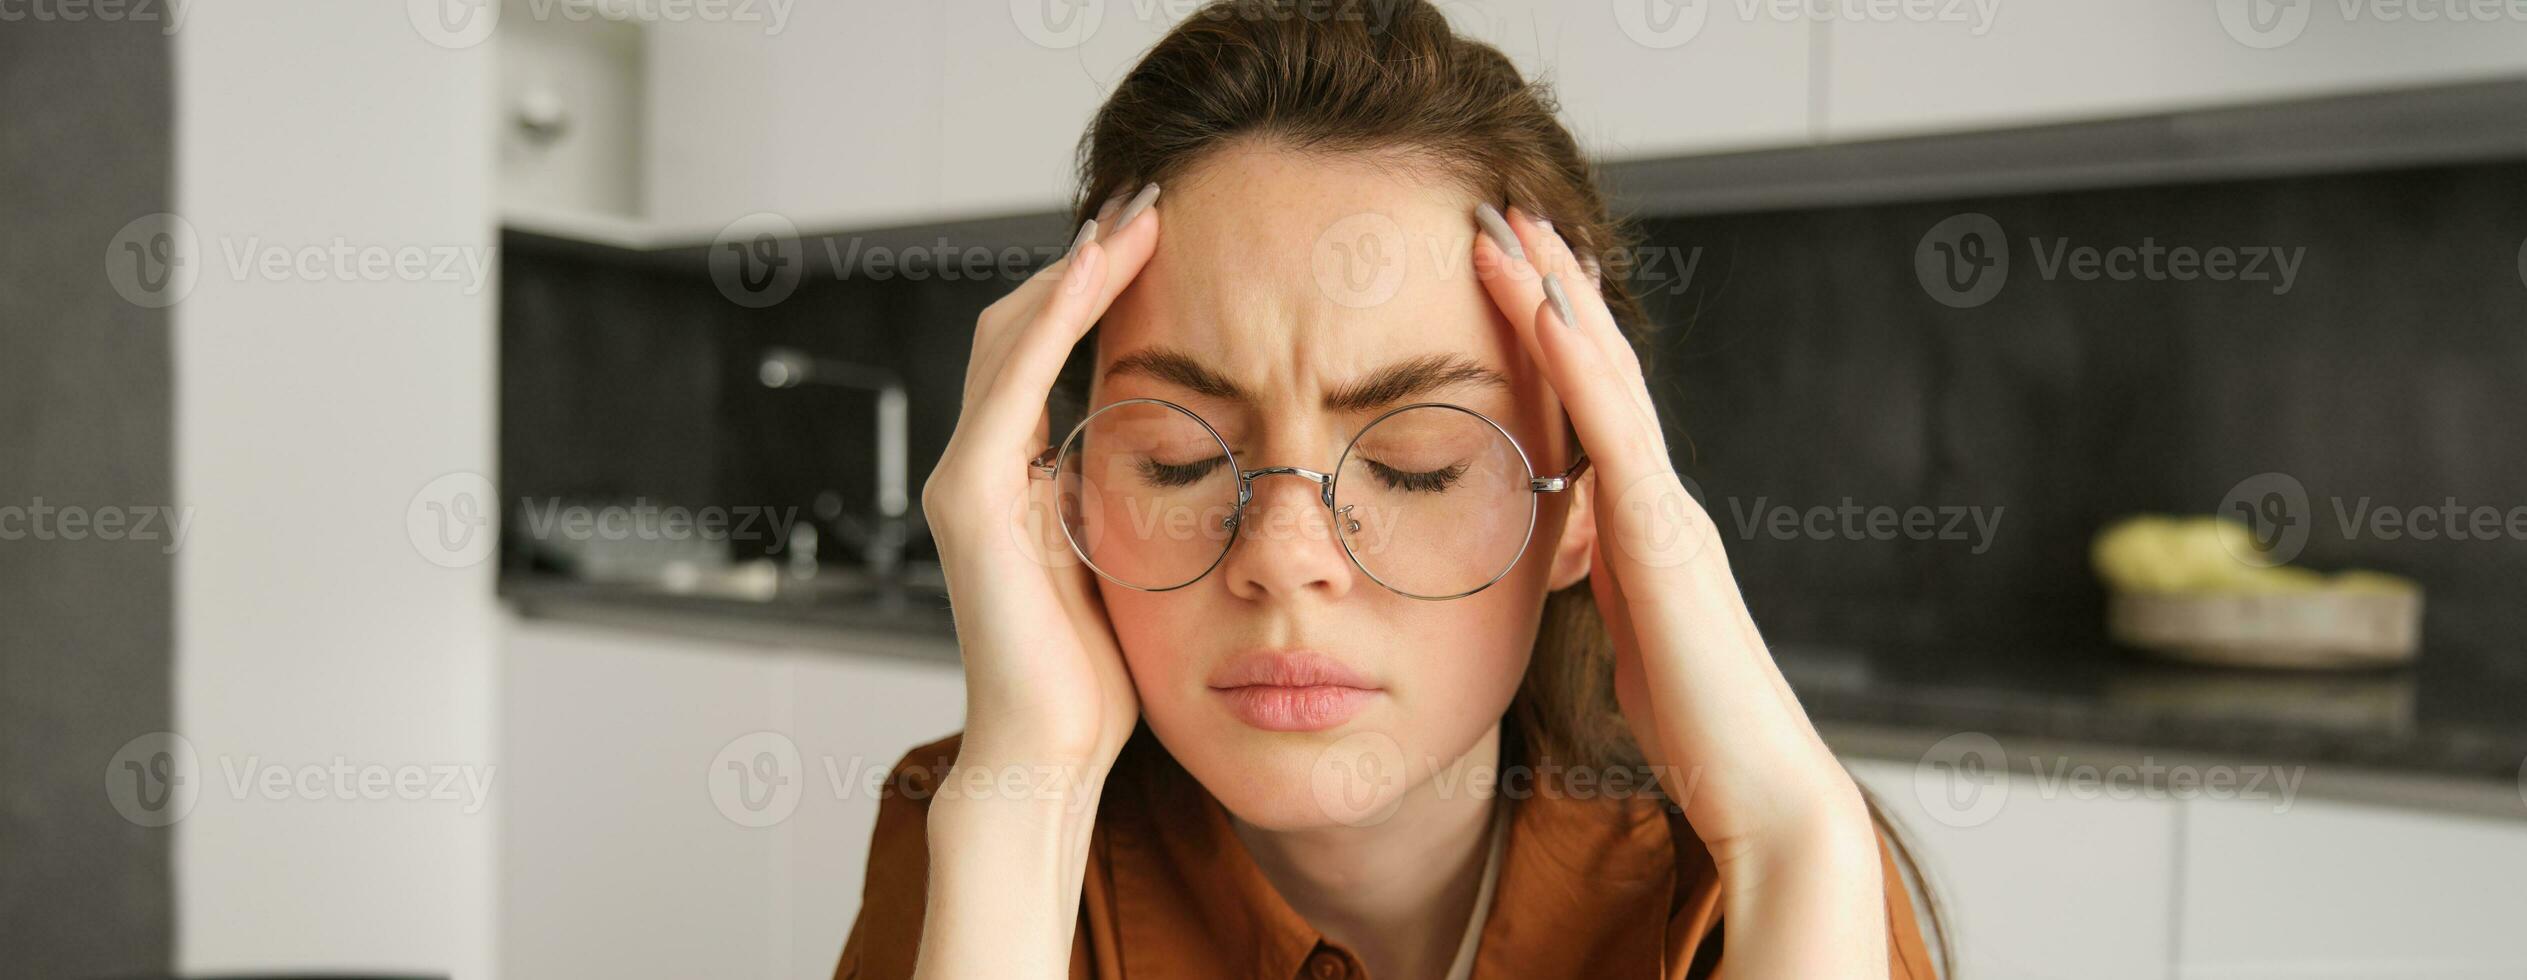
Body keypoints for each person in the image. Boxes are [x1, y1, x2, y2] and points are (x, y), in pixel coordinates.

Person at [837, 2, 1943, 977]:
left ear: (1582, 502)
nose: (1282, 548)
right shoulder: (976, 825)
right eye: (1177, 454)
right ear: (1066, 494)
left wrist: (1802, 841)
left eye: (1418, 459)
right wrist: (1024, 803)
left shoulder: (1764, 879)